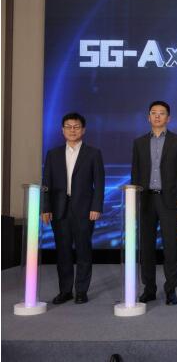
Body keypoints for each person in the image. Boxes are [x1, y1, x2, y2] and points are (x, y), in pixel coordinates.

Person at [131, 101, 177, 305]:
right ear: (148, 117)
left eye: (162, 113)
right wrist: (134, 200)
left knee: (171, 247)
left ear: (168, 118)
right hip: (146, 200)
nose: (157, 116)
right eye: (154, 113)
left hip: (170, 201)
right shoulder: (139, 142)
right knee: (146, 247)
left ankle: (170, 289)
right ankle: (149, 289)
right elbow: (135, 173)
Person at [42, 112, 105, 305]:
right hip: (59, 209)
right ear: (62, 130)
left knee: (84, 250)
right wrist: (45, 208)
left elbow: (99, 183)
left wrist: (96, 206)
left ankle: (81, 291)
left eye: (76, 127)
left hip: (85, 209)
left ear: (83, 130)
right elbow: (46, 183)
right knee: (63, 252)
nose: (72, 130)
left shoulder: (93, 153)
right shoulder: (53, 154)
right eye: (68, 127)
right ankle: (65, 291)